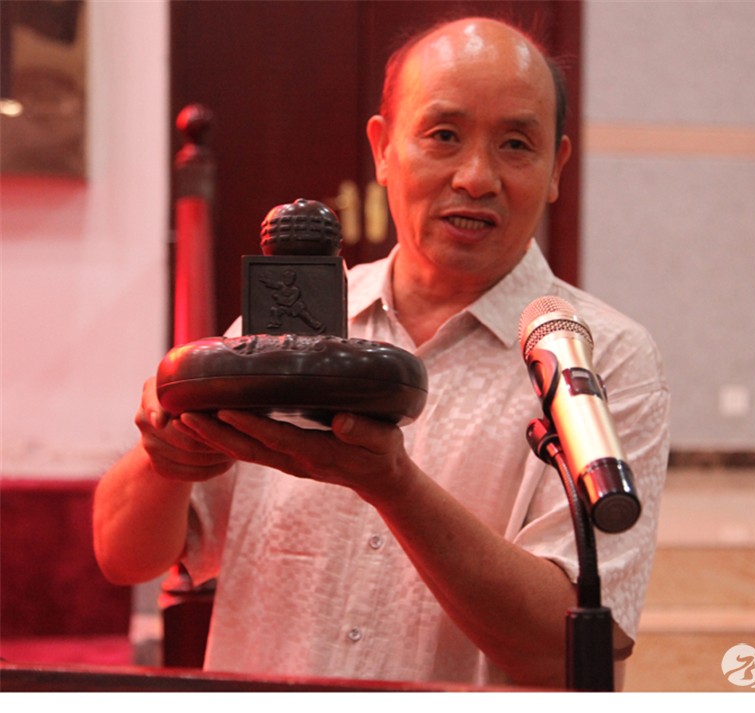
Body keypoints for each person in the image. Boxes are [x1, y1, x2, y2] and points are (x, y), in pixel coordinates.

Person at [93, 16, 670, 689]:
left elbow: (562, 650)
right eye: (444, 135)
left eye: (516, 144)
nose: (476, 177)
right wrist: (164, 455)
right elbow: (122, 555)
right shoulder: (286, 328)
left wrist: (392, 484)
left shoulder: (600, 358)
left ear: (555, 169)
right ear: (383, 148)